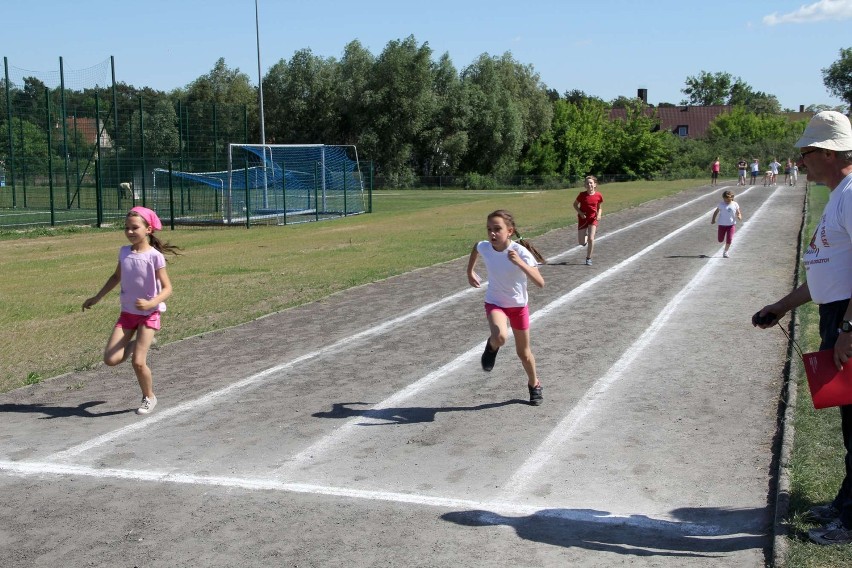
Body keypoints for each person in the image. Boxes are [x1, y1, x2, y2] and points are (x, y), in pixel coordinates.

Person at [753, 110, 852, 545]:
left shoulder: (851, 195)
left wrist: (850, 326)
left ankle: (849, 524)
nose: (801, 161)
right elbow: (827, 274)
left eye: (806, 152)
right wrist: (781, 306)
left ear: (828, 153)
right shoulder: (840, 194)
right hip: (838, 314)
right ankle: (845, 505)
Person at [82, 206, 180, 415]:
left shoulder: (155, 256)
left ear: (149, 229)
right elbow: (116, 277)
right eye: (126, 228)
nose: (129, 232)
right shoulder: (124, 252)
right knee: (111, 359)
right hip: (127, 314)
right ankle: (136, 343)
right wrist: (96, 298)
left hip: (149, 314)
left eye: (135, 227)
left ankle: (149, 397)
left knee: (138, 361)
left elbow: (168, 288)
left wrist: (151, 302)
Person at [466, 210, 545, 406]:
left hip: (518, 306)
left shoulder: (521, 253)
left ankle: (534, 384)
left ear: (509, 231)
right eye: (489, 229)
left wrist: (520, 263)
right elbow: (476, 247)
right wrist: (470, 271)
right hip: (495, 302)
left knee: (524, 353)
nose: (492, 234)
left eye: (497, 229)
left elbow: (540, 282)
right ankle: (491, 347)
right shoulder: (486, 247)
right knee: (500, 336)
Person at [574, 175, 604, 266]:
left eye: (591, 183)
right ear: (585, 185)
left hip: (593, 218)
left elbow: (599, 208)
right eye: (587, 183)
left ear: (595, 184)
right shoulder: (582, 195)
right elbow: (575, 205)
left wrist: (599, 214)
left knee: (591, 239)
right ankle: (586, 237)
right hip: (583, 219)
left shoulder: (598, 195)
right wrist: (580, 213)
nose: (589, 184)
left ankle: (588, 258)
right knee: (581, 242)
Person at [710, 190, 742, 258]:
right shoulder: (721, 204)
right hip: (722, 225)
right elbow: (716, 212)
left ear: (732, 198)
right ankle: (723, 244)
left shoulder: (735, 204)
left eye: (728, 200)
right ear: (723, 198)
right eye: (725, 200)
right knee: (720, 240)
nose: (727, 201)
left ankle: (725, 252)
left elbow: (738, 212)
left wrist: (739, 216)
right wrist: (713, 219)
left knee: (729, 239)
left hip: (731, 225)